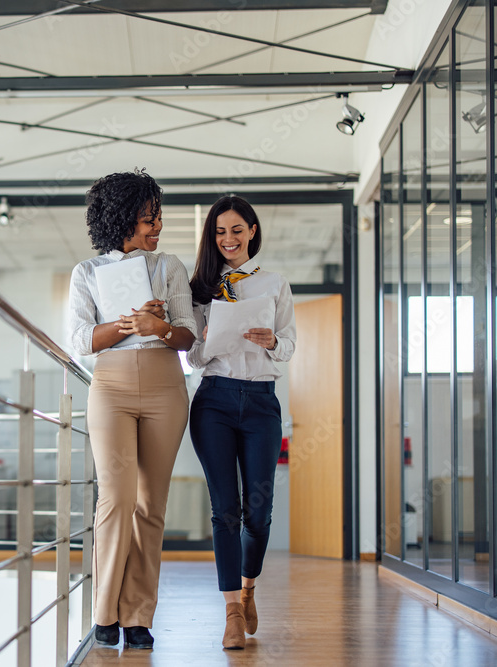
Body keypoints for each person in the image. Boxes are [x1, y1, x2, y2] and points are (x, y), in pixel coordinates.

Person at [68, 170, 196, 650]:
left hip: (166, 386)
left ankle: (138, 615)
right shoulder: (88, 273)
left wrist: (158, 326)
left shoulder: (170, 266)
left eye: (157, 217)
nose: (156, 227)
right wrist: (126, 325)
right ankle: (105, 611)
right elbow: (82, 341)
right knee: (115, 499)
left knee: (150, 506)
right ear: (122, 219)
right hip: (113, 387)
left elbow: (188, 333)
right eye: (148, 219)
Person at [186, 195, 296, 650]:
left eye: (236, 229)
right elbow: (192, 358)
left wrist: (272, 340)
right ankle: (231, 611)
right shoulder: (201, 288)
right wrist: (209, 338)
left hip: (261, 402)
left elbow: (288, 347)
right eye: (219, 231)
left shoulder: (274, 283)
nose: (228, 239)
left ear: (252, 230)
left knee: (259, 512)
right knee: (224, 510)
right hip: (214, 399)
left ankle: (249, 588)